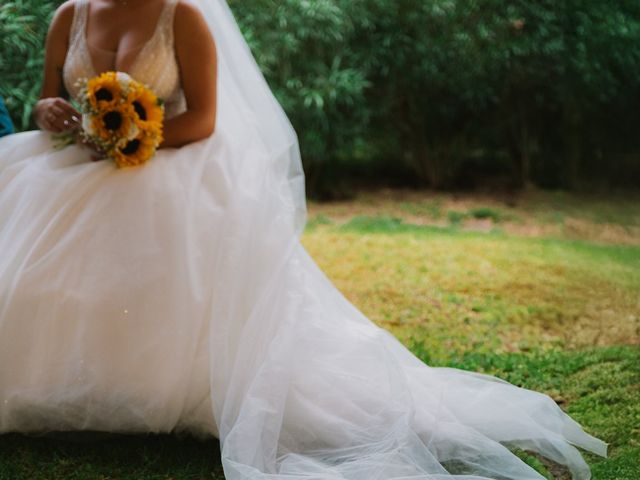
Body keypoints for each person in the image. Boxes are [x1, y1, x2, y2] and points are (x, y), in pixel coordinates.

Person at [0, 1, 607, 479]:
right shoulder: (68, 15)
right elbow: (45, 101)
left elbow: (204, 118)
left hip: (165, 164)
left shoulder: (182, 16)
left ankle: (160, 392)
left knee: (163, 271)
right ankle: (76, 387)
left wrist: (127, 140)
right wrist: (52, 111)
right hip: (74, 168)